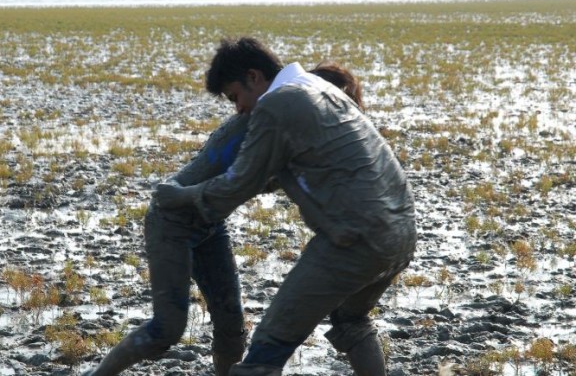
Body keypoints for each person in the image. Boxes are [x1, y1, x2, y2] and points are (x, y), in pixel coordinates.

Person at [83, 46, 365, 375]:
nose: (239, 108)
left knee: (231, 327)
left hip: (209, 222)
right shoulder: (271, 117)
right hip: (171, 220)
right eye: (233, 99)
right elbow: (245, 182)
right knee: (166, 329)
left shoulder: (285, 113)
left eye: (234, 98)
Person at [155, 37, 417, 376]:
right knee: (350, 319)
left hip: (353, 240)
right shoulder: (321, 88)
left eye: (236, 96)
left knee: (266, 350)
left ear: (254, 76)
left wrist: (180, 194)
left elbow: (237, 184)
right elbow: (293, 169)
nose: (238, 109)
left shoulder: (276, 104)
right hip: (401, 233)